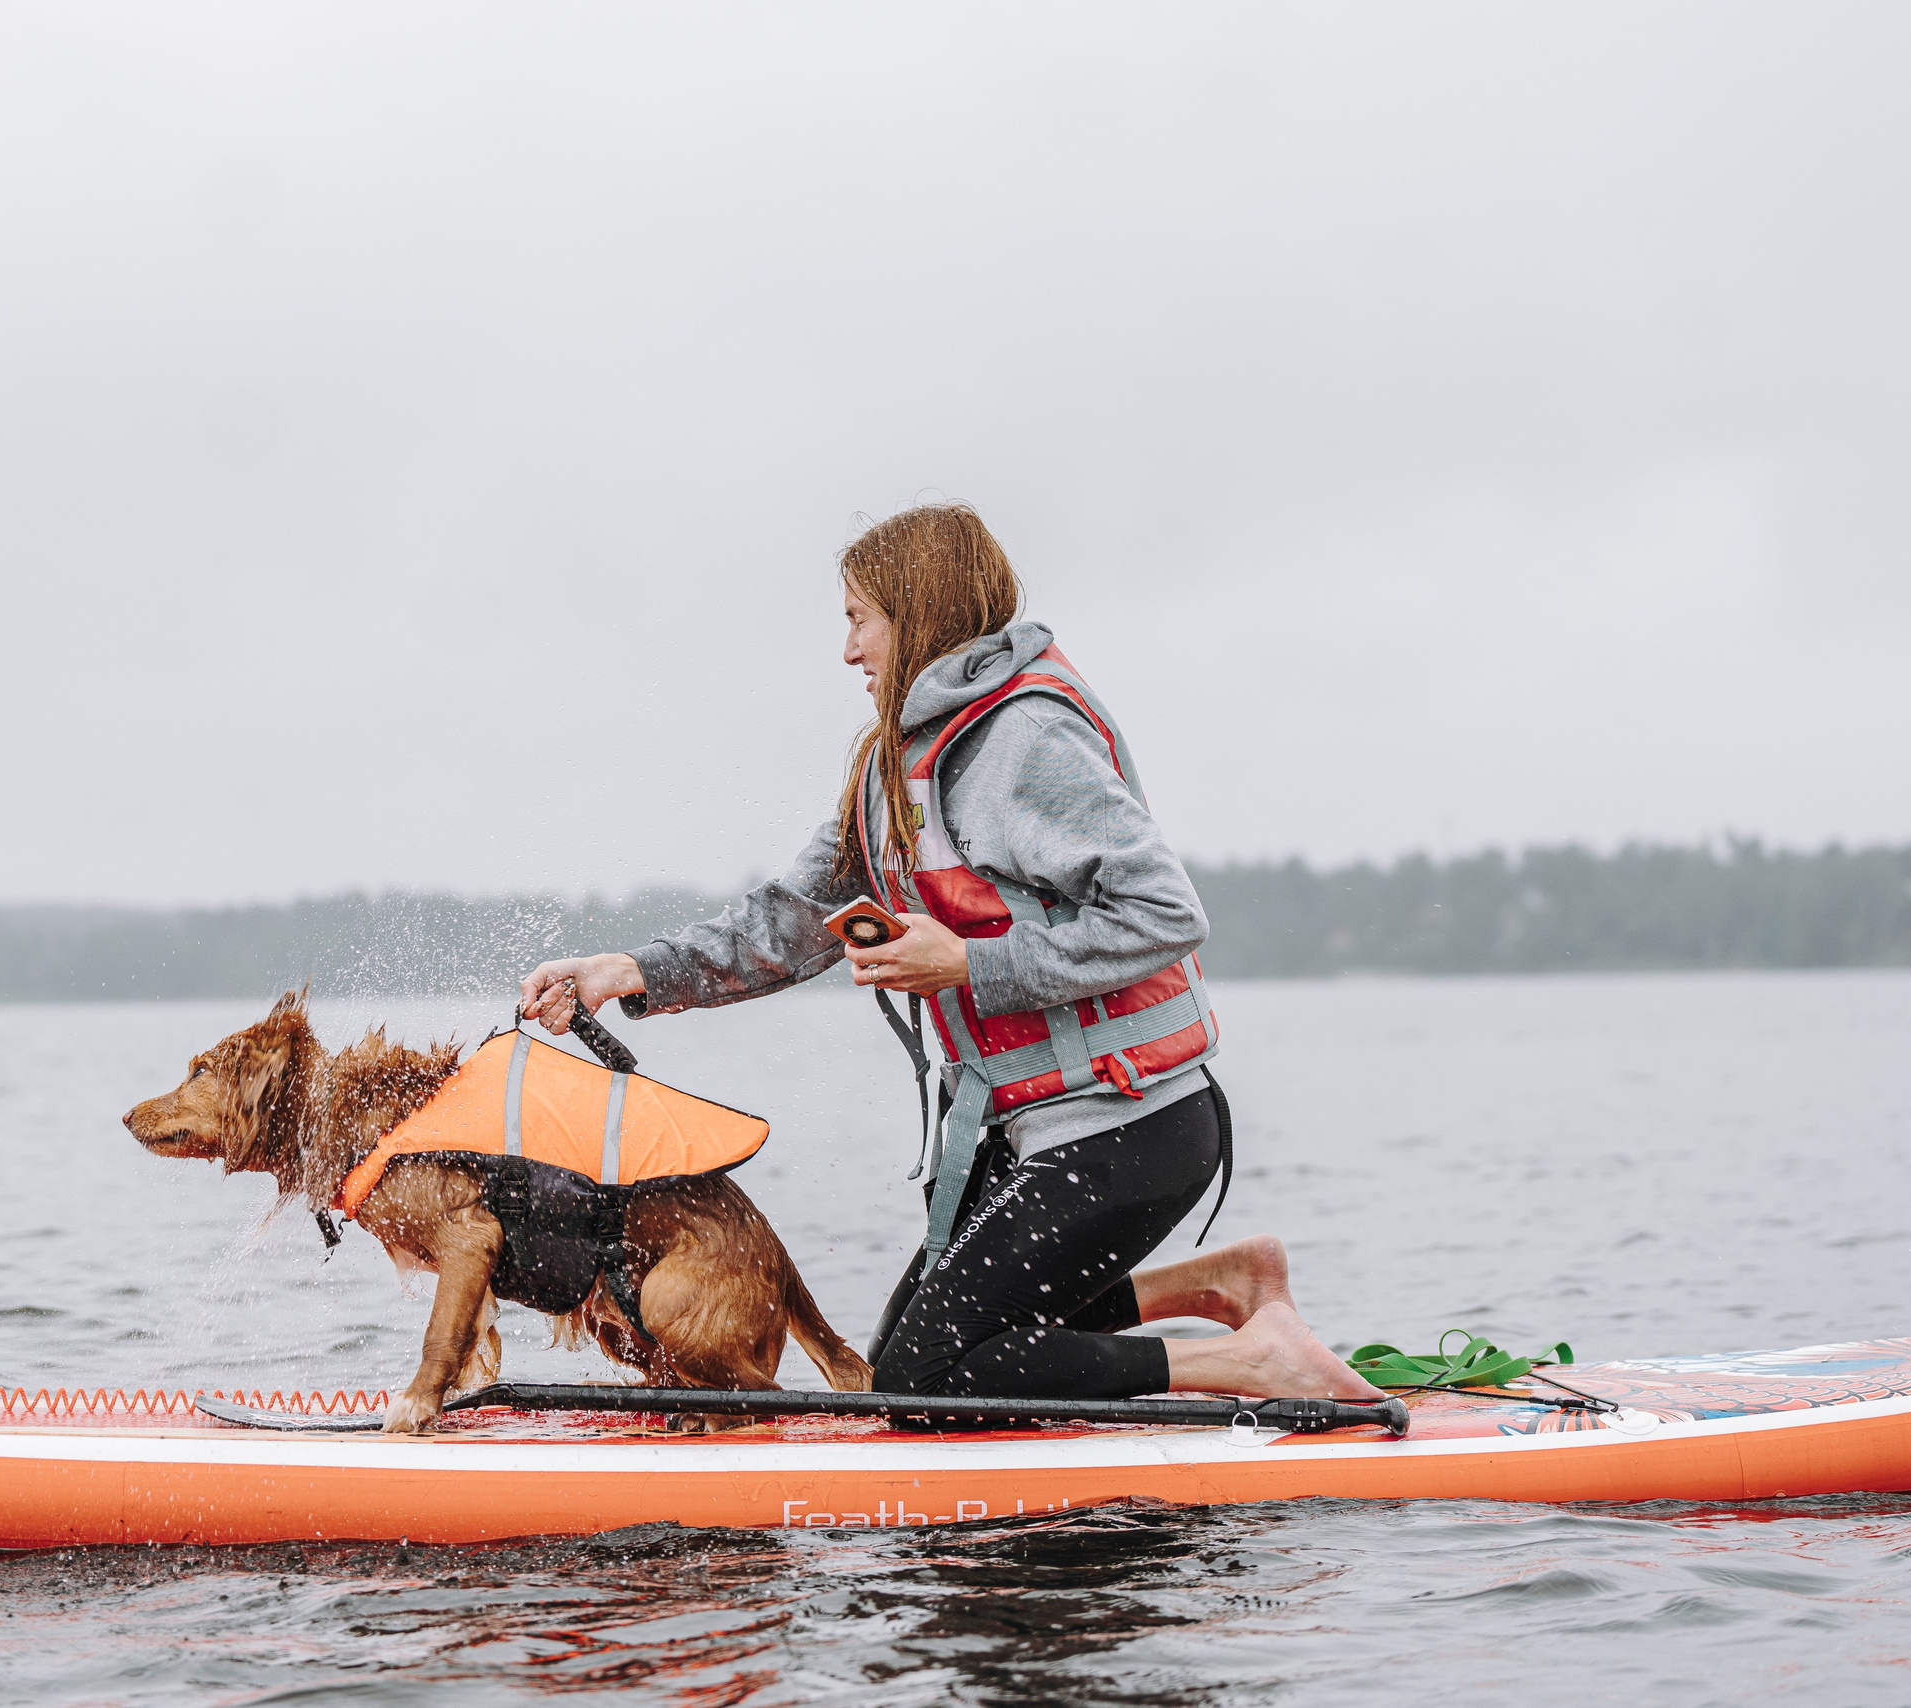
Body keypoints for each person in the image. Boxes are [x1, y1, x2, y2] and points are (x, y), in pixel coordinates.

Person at [520, 504, 1377, 1404]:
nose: (848, 651)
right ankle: (1222, 1285)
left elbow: (1165, 914)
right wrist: (633, 971)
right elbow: (796, 916)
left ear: (918, 612)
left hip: (1132, 1127)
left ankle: (1248, 1363)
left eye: (859, 620)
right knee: (904, 1361)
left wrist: (970, 967)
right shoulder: (893, 763)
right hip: (1029, 1131)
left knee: (927, 1379)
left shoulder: (1026, 742)